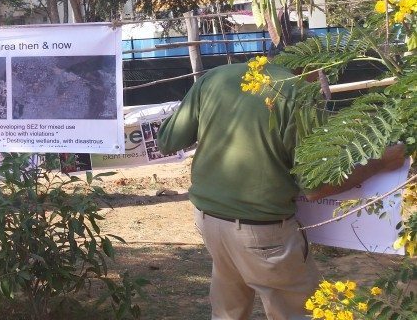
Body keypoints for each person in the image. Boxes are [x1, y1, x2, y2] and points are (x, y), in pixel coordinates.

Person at [158, 61, 407, 320]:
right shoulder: (299, 96)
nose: (320, 84)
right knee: (303, 312)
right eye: (322, 75)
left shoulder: (214, 77)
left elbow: (167, 140)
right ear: (312, 69)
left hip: (209, 221)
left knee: (227, 312)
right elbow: (316, 186)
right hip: (263, 234)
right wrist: (382, 161)